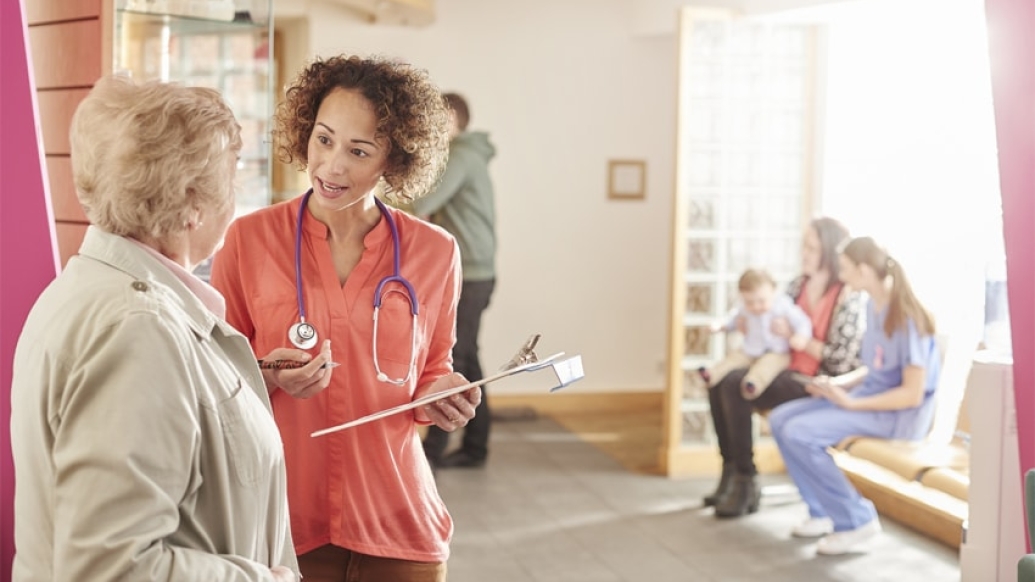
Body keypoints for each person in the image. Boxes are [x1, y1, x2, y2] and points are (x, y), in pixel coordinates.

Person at [10, 75, 298, 581]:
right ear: (192, 203)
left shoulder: (94, 290)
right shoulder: (138, 329)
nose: (236, 197)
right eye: (231, 179)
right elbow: (112, 568)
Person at [210, 55, 478, 582]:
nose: (332, 166)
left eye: (358, 151)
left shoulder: (435, 252)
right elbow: (214, 376)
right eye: (324, 140)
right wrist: (271, 375)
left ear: (393, 159)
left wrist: (444, 396)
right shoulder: (248, 240)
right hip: (284, 524)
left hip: (397, 520)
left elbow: (431, 370)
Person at [768, 237, 940, 555]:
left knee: (799, 432)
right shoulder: (874, 307)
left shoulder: (908, 318)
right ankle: (822, 511)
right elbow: (875, 369)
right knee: (780, 419)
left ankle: (855, 520)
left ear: (864, 270)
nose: (842, 276)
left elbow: (911, 394)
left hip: (898, 416)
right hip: (868, 401)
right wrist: (837, 384)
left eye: (845, 269)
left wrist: (852, 402)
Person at [705, 217, 866, 519]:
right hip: (784, 367)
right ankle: (731, 470)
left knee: (735, 385)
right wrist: (751, 324)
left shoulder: (848, 296)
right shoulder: (797, 285)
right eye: (804, 246)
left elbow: (840, 360)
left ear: (829, 250)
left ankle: (746, 479)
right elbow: (768, 325)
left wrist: (798, 339)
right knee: (720, 380)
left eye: (811, 248)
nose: (804, 253)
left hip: (817, 380)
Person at [414, 92, 498, 470]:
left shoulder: (461, 156)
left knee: (455, 359)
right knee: (469, 356)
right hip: (478, 271)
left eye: (435, 119)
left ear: (452, 120)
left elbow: (421, 202)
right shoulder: (467, 154)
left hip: (472, 272)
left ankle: (432, 452)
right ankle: (476, 447)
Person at [698, 267, 812, 399]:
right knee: (733, 358)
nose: (756, 307)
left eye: (761, 301)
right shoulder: (743, 309)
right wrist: (718, 326)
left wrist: (801, 336)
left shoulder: (783, 305)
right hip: (750, 350)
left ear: (773, 291)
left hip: (777, 352)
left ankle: (752, 385)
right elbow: (731, 321)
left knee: (767, 366)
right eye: (750, 302)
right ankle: (711, 374)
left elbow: (802, 322)